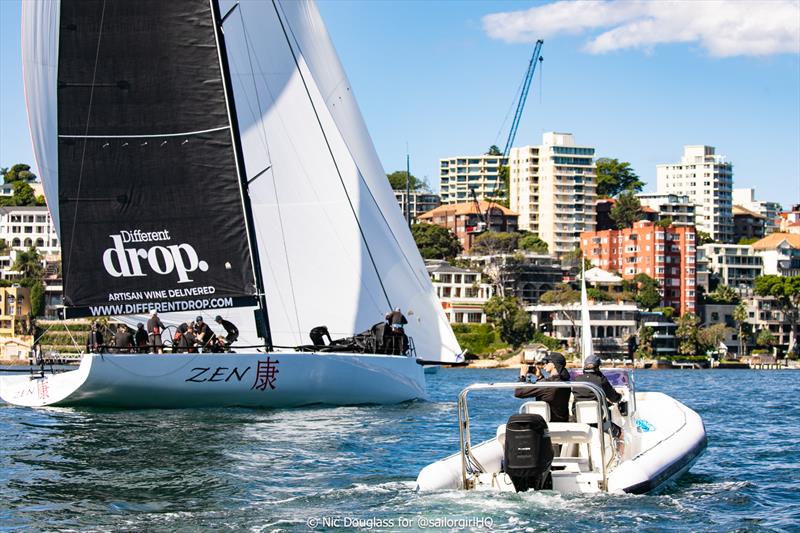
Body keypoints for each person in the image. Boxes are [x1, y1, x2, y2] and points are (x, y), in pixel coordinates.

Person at [572, 354, 625, 446]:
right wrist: (620, 395)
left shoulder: (577, 380)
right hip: (599, 423)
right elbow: (614, 398)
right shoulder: (601, 380)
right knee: (621, 433)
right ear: (598, 367)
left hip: (579, 421)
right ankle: (618, 457)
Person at [514, 352, 571, 423]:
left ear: (553, 364)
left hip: (546, 424)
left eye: (546, 362)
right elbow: (547, 392)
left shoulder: (547, 384)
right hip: (562, 421)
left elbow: (518, 392)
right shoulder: (566, 382)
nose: (544, 365)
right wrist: (540, 377)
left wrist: (522, 376)